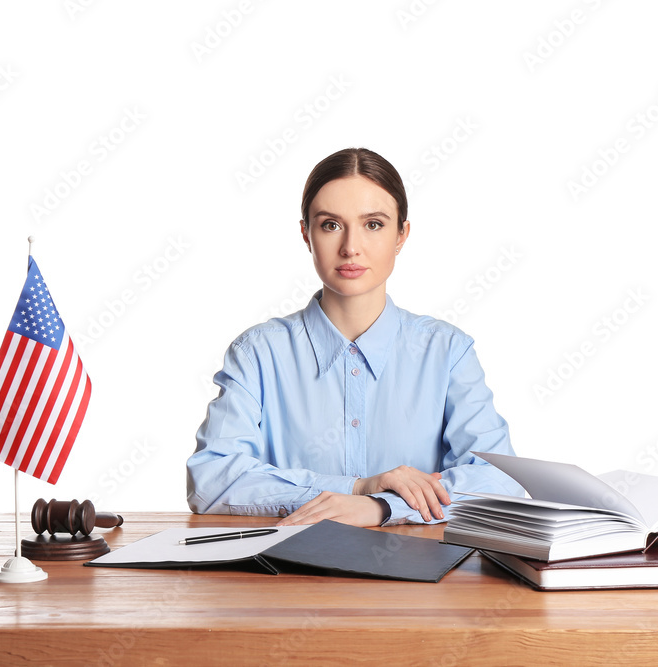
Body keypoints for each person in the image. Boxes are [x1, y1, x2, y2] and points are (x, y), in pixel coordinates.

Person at [187, 147, 521, 527]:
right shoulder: (258, 354)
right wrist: (358, 488)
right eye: (330, 224)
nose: (350, 247)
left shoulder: (447, 351)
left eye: (373, 224)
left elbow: (500, 482)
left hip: (421, 574)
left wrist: (382, 507)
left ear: (401, 234)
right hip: (286, 577)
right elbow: (212, 481)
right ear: (306, 234)